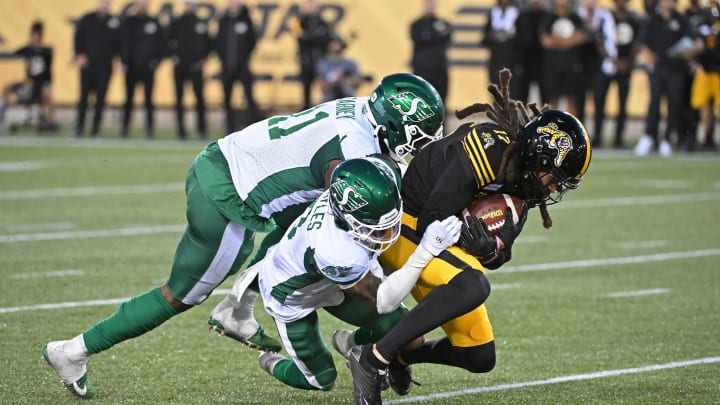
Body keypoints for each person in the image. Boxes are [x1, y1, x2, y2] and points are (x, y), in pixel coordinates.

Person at [42, 73, 445, 400]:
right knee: (181, 295)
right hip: (228, 197)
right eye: (416, 135)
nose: (418, 146)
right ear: (391, 124)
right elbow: (353, 212)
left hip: (229, 162)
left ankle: (237, 309)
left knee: (296, 218)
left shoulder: (360, 113)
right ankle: (73, 350)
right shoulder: (352, 149)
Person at [341, 69, 593, 405]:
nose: (553, 187)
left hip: (435, 236)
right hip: (405, 223)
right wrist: (469, 239)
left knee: (480, 356)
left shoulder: (523, 181)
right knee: (472, 285)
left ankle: (399, 358)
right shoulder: (489, 151)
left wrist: (488, 248)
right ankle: (372, 360)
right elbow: (434, 219)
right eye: (554, 177)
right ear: (537, 155)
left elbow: (502, 251)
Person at [252, 157, 461, 391]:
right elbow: (384, 301)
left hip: (328, 278)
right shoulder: (337, 251)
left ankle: (352, 345)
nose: (388, 232)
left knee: (412, 337)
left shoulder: (360, 190)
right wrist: (425, 250)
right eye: (375, 226)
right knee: (322, 379)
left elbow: (387, 167)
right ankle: (268, 360)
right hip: (291, 295)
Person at [634, 0, 700, 157]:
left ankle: (667, 139)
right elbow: (642, 42)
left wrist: (687, 52)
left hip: (676, 70)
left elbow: (696, 43)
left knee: (674, 104)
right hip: (658, 69)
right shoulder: (653, 19)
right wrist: (648, 53)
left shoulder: (681, 19)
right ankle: (649, 137)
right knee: (655, 103)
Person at [592, 0, 642, 149]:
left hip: (625, 66)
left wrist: (627, 61)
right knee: (599, 101)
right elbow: (599, 41)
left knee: (623, 102)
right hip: (607, 66)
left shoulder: (633, 19)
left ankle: (619, 137)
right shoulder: (606, 18)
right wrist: (613, 60)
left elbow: (637, 43)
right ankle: (597, 136)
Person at [73, 0, 121, 138]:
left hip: (105, 66)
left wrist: (119, 60)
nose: (104, 4)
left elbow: (119, 43)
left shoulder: (114, 21)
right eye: (102, 2)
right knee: (84, 97)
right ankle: (79, 127)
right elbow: (78, 38)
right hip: (88, 65)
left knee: (101, 98)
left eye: (107, 2)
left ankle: (96, 129)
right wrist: (79, 55)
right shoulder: (87, 19)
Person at [0, 21, 57, 133]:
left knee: (48, 95)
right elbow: (13, 55)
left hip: (40, 84)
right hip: (28, 84)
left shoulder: (47, 51)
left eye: (36, 36)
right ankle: (1, 118)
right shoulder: (27, 50)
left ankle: (49, 123)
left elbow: (47, 71)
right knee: (6, 88)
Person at [120, 0, 165, 138]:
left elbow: (161, 44)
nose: (143, 4)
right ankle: (125, 129)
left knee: (149, 99)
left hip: (148, 68)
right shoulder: (129, 22)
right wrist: (124, 62)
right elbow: (123, 43)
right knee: (128, 99)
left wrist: (156, 62)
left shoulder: (154, 22)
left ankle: (150, 129)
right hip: (131, 67)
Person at [215, 0, 261, 133]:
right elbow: (218, 41)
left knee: (249, 96)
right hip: (227, 66)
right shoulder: (223, 20)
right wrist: (222, 58)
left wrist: (244, 57)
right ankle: (229, 129)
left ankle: (253, 128)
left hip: (242, 66)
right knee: (227, 98)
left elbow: (252, 40)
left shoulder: (246, 19)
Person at [168, 0, 211, 140]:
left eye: (191, 4)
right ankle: (181, 131)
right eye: (187, 3)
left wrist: (203, 59)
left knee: (199, 98)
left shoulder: (201, 23)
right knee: (179, 98)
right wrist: (173, 56)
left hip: (196, 66)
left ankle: (202, 129)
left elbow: (208, 43)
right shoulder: (176, 22)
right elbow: (167, 41)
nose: (189, 6)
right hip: (180, 66)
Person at [540, 0, 587, 117]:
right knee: (552, 101)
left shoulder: (576, 19)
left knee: (572, 100)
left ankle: (571, 131)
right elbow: (546, 42)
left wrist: (557, 41)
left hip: (572, 66)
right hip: (552, 66)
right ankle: (552, 130)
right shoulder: (548, 18)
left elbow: (580, 38)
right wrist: (568, 42)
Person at [576, 0, 616, 127]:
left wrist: (611, 60)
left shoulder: (605, 17)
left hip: (599, 64)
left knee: (599, 100)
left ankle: (598, 134)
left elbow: (610, 40)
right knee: (579, 101)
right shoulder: (576, 16)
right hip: (580, 64)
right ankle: (579, 132)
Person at [688, 0, 720, 150]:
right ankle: (693, 138)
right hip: (705, 67)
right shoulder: (705, 12)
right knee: (698, 105)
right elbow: (697, 38)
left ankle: (708, 138)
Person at [291, 0, 332, 110]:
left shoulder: (322, 22)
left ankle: (325, 106)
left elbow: (325, 39)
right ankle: (306, 107)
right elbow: (300, 38)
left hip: (320, 59)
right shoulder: (301, 21)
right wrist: (312, 38)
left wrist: (308, 36)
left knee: (324, 84)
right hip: (306, 58)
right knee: (306, 85)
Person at [410, 0, 453, 103]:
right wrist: (435, 36)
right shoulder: (416, 24)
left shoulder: (443, 23)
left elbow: (447, 38)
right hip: (422, 69)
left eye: (432, 3)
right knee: (421, 99)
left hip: (439, 68)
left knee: (441, 99)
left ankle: (442, 119)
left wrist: (428, 36)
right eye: (428, 3)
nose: (430, 6)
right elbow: (418, 38)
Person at [512, 0, 550, 103]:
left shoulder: (547, 16)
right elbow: (516, 40)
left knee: (546, 96)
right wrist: (518, 62)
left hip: (543, 62)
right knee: (522, 96)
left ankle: (546, 118)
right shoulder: (522, 16)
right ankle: (522, 119)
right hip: (525, 62)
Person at [481, 0, 519, 88]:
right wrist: (492, 35)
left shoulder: (517, 13)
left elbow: (522, 36)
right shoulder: (493, 12)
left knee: (512, 87)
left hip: (512, 56)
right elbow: (485, 36)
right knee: (495, 86)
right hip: (496, 56)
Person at [316, 34, 361, 103]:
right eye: (333, 43)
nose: (336, 45)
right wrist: (334, 80)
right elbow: (322, 87)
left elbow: (357, 82)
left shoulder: (350, 64)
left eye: (338, 43)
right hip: (329, 100)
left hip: (347, 99)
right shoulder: (323, 64)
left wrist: (344, 79)